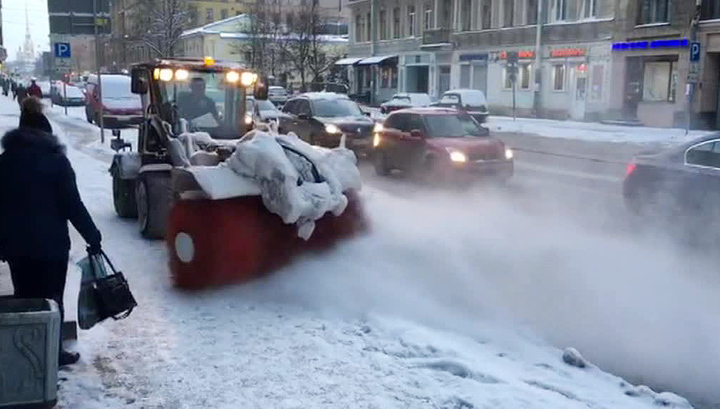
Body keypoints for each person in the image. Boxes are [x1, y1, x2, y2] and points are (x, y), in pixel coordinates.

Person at [0, 97, 102, 367]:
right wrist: (93, 236)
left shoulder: (4, 162)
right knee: (52, 300)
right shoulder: (57, 162)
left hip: (17, 247)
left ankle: (27, 354)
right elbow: (72, 205)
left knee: (25, 300)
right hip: (51, 247)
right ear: (46, 133)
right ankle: (53, 354)